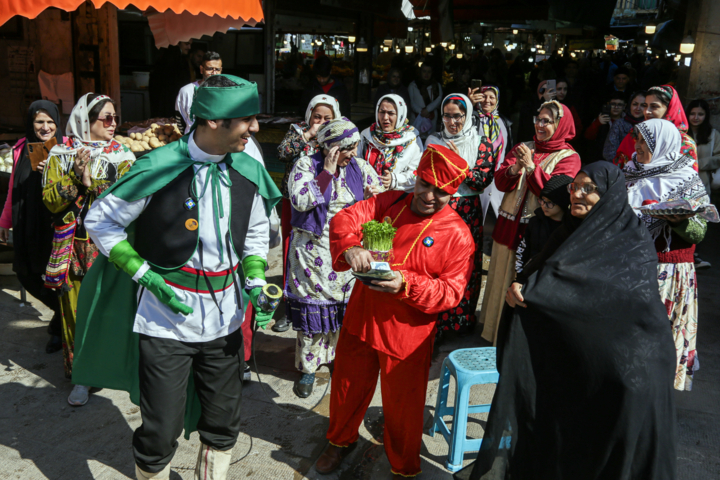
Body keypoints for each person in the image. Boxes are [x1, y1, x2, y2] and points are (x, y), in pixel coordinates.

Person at [76, 75, 281, 480]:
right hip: (164, 321)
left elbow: (257, 233)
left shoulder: (247, 169)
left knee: (223, 423)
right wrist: (144, 274)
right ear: (213, 122)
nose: (255, 129)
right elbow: (100, 220)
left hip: (225, 319)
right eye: (247, 120)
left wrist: (256, 280)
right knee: (160, 431)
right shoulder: (160, 165)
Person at [456, 162, 677, 480]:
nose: (578, 195)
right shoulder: (568, 232)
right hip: (584, 361)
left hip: (634, 371)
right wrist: (520, 289)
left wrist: (541, 292)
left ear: (611, 197)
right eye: (576, 187)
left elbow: (621, 300)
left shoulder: (631, 240)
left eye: (590, 189)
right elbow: (539, 278)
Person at [315, 143, 475, 478]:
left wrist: (405, 283)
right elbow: (346, 218)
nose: (429, 196)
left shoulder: (459, 235)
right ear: (415, 177)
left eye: (441, 192)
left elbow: (450, 293)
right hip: (363, 315)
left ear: (454, 193)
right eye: (424, 184)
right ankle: (339, 440)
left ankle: (403, 466)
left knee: (404, 406)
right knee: (347, 387)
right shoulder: (391, 201)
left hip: (407, 334)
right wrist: (351, 246)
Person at [41, 93, 134, 407]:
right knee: (75, 314)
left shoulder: (122, 154)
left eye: (114, 117)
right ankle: (80, 375)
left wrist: (90, 180)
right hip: (72, 246)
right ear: (85, 120)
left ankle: (109, 368)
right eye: (105, 118)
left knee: (108, 311)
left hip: (108, 247)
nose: (112, 123)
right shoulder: (61, 153)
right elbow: (51, 200)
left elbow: (127, 199)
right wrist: (75, 179)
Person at [285, 118, 382, 398]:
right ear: (331, 147)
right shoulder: (306, 165)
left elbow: (377, 202)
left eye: (354, 148)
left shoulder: (360, 168)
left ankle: (338, 359)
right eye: (347, 149)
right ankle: (308, 369)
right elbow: (301, 201)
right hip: (311, 251)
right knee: (313, 312)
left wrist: (370, 198)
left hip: (345, 250)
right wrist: (325, 173)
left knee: (342, 312)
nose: (352, 154)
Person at [479, 101, 581, 345]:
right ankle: (493, 332)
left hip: (537, 231)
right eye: (538, 119)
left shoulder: (569, 157)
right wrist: (514, 167)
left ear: (560, 125)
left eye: (547, 121)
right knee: (501, 275)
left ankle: (516, 341)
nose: (540, 125)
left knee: (525, 281)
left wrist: (531, 166)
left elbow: (554, 194)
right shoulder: (522, 147)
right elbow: (501, 183)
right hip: (509, 224)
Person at [624, 119, 709, 391]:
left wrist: (678, 220)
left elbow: (699, 232)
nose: (636, 146)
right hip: (630, 268)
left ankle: (653, 401)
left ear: (662, 144)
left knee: (659, 342)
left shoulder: (685, 177)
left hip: (667, 275)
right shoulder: (628, 172)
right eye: (636, 140)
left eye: (644, 142)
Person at [426, 93, 496, 337]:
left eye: (458, 116)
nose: (452, 122)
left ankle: (461, 320)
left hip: (467, 211)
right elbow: (427, 176)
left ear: (467, 117)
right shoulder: (434, 140)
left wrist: (460, 166)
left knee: (465, 264)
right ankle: (437, 319)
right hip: (440, 208)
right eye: (447, 116)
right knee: (437, 262)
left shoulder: (481, 142)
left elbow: (482, 180)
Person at [0, 101, 65, 353]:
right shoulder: (20, 148)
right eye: (40, 122)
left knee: (56, 278)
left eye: (50, 121)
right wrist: (5, 221)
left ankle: (60, 327)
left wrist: (51, 168)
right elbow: (12, 189)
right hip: (27, 221)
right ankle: (61, 314)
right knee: (25, 272)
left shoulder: (66, 147)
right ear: (31, 123)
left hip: (55, 224)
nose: (46, 127)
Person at [274, 95, 342, 333]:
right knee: (290, 252)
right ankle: (288, 306)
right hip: (294, 203)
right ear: (309, 115)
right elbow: (282, 153)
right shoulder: (297, 131)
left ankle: (325, 304)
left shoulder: (338, 134)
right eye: (317, 116)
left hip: (325, 204)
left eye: (327, 118)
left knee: (319, 254)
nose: (321, 121)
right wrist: (308, 135)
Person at [613, 85, 697, 168]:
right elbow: (619, 168)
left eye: (654, 106)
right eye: (645, 106)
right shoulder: (635, 135)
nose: (646, 112)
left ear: (669, 109)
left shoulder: (684, 142)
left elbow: (689, 178)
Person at [358, 94, 422, 192]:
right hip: (368, 196)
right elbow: (356, 165)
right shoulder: (366, 136)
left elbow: (418, 173)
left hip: (399, 200)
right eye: (382, 112)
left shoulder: (412, 139)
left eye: (391, 113)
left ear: (400, 115)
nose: (385, 117)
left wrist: (394, 180)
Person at [514, 174, 572, 274]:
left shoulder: (569, 227)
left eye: (549, 202)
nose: (544, 206)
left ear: (562, 203)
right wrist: (520, 273)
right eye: (542, 200)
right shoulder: (535, 222)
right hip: (530, 275)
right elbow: (523, 250)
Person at [477, 86, 513, 223]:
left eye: (492, 97)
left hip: (498, 177)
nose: (487, 100)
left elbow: (507, 149)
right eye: (484, 96)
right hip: (477, 177)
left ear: (497, 100)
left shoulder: (504, 122)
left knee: (498, 217)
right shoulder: (472, 120)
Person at [149, 42, 205, 118]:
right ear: (177, 43)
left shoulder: (175, 58)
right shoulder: (174, 60)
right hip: (170, 102)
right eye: (186, 44)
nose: (189, 47)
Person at [175, 51, 223, 133]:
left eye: (217, 69)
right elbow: (180, 120)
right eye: (210, 69)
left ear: (221, 70)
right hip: (192, 142)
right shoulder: (186, 91)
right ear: (201, 69)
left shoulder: (227, 92)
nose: (214, 73)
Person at [686, 99, 720, 195]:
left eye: (700, 114)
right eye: (692, 113)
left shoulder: (713, 135)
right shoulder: (680, 134)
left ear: (706, 116)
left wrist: (700, 163)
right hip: (681, 181)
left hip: (702, 183)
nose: (695, 117)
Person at [602, 91, 645, 162]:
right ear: (629, 105)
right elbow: (609, 153)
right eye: (635, 104)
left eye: (643, 105)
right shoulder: (619, 124)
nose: (638, 108)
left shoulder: (650, 125)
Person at [584, 92, 626, 161]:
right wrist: (597, 123)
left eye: (619, 105)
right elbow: (588, 136)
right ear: (608, 105)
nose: (616, 107)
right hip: (600, 159)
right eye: (613, 104)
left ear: (624, 106)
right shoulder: (600, 119)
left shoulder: (628, 121)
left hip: (622, 159)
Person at [408, 63, 443, 138]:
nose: (426, 74)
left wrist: (427, 110)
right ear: (420, 72)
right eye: (424, 71)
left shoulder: (436, 85)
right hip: (416, 117)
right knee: (416, 139)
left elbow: (439, 99)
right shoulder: (413, 85)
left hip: (431, 117)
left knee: (430, 141)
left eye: (429, 72)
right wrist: (421, 112)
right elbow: (411, 102)